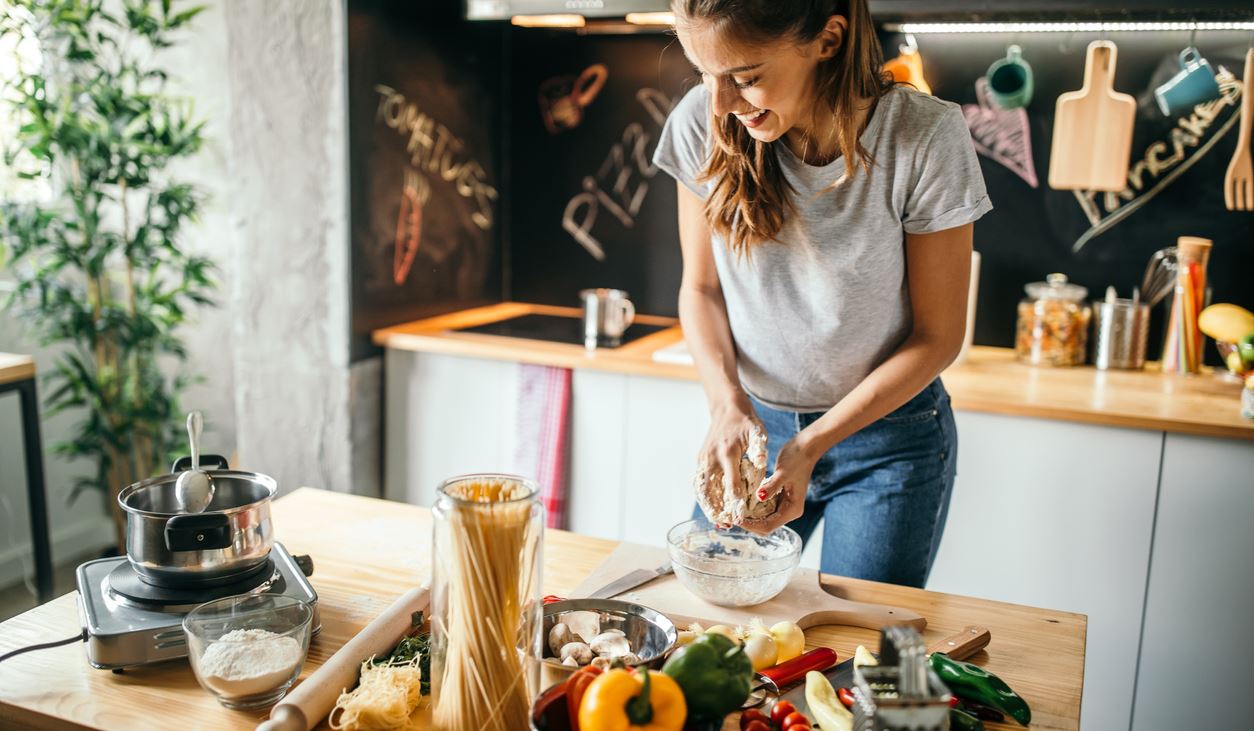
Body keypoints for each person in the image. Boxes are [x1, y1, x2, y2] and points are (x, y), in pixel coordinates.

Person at [653, 0, 991, 588]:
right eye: (706, 76)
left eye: (746, 78)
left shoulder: (923, 136)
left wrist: (812, 444)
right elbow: (701, 288)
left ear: (828, 40)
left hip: (890, 443)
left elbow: (938, 338)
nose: (721, 107)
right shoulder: (699, 124)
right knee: (711, 627)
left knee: (855, 652)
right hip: (758, 428)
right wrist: (725, 403)